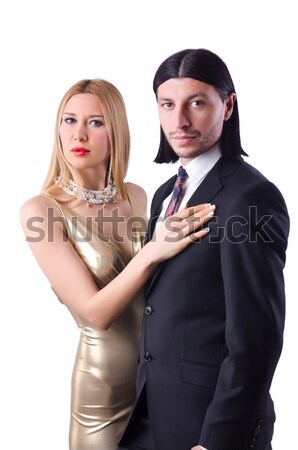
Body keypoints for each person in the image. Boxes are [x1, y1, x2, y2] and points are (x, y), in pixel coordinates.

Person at [19, 78, 214, 450]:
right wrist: (154, 250)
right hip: (102, 393)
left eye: (95, 122)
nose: (79, 134)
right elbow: (95, 313)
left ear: (116, 130)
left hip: (159, 380)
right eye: (69, 120)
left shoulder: (137, 196)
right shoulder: (42, 211)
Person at [119, 49, 290, 450]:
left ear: (227, 106)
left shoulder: (251, 197)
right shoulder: (165, 194)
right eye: (167, 104)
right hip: (149, 419)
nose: (178, 120)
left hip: (208, 427)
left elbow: (256, 338)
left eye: (196, 103)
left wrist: (217, 441)